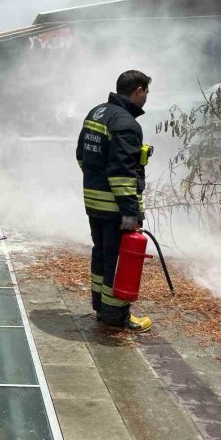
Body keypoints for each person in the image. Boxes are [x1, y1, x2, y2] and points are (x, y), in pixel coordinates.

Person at [75, 70, 152, 333]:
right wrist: (130, 214)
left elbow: (81, 156)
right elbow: (122, 174)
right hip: (114, 209)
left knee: (101, 254)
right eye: (146, 92)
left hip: (94, 203)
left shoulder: (96, 113)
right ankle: (116, 317)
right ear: (138, 90)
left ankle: (101, 308)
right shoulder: (127, 124)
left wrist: (95, 183)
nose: (146, 97)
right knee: (117, 261)